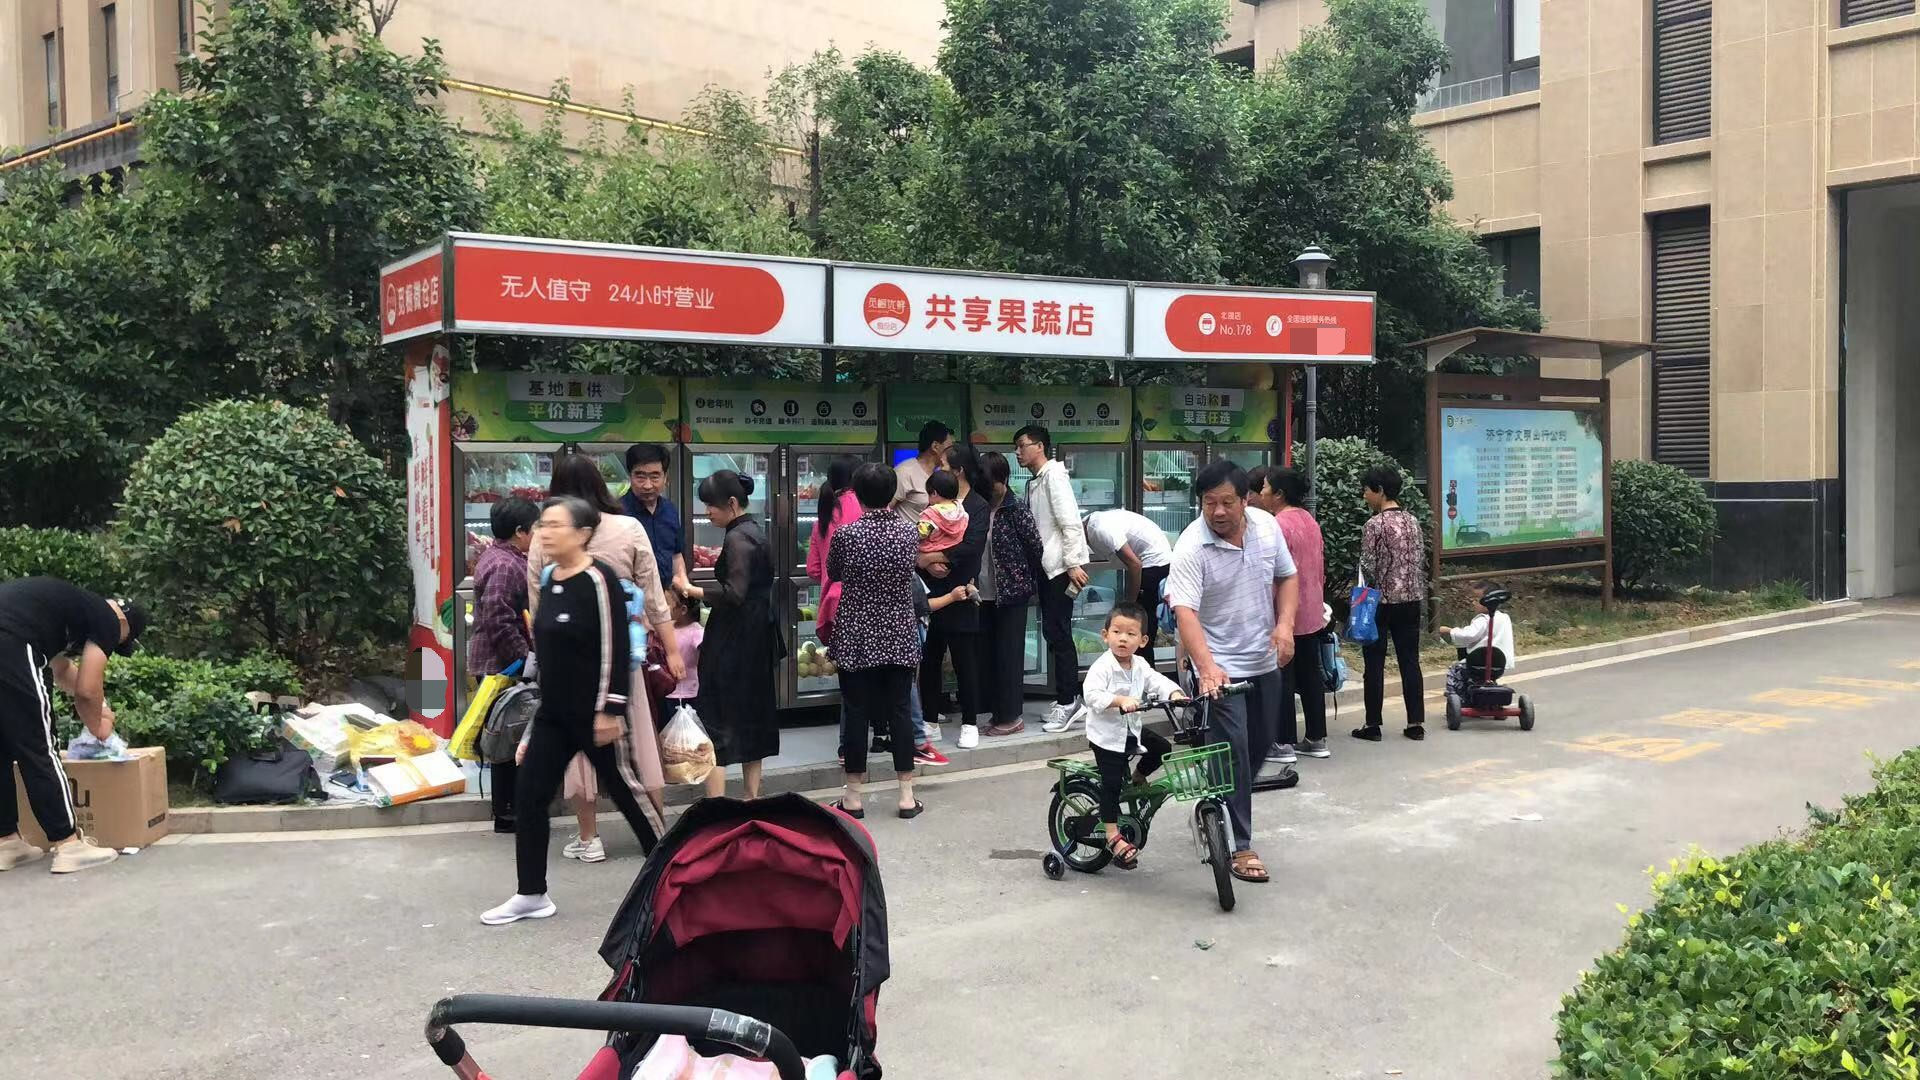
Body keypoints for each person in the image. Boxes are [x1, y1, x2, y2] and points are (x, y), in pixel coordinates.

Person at [483, 497, 661, 926]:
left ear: (582, 534)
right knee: (529, 796)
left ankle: (675, 878)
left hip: (595, 712)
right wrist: (533, 726)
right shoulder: (549, 578)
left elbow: (615, 645)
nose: (544, 533)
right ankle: (531, 894)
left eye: (555, 525)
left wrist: (611, 708)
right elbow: (547, 653)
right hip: (554, 714)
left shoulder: (598, 580)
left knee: (632, 799)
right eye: (542, 525)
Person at [531, 452, 683, 830]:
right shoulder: (629, 527)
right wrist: (673, 650)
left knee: (578, 755)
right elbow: (655, 597)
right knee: (639, 746)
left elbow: (538, 606)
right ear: (601, 485)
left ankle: (589, 838)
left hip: (568, 665)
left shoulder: (546, 536)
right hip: (624, 658)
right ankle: (659, 834)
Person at [1167, 460, 1300, 886]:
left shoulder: (1267, 527)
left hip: (1263, 660)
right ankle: (1240, 844)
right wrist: (1207, 668)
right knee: (1235, 754)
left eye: (1227, 502)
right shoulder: (1192, 546)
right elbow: (1184, 612)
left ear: (1246, 500)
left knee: (1261, 745)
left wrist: (1285, 626)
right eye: (1209, 503)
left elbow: (1288, 577)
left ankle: (1218, 796)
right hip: (1219, 668)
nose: (1218, 511)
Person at [0, 578, 147, 875]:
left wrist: (102, 710)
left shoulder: (62, 610)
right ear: (124, 624)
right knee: (40, 748)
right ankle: (69, 845)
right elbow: (87, 691)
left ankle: (6, 842)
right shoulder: (108, 619)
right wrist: (99, 728)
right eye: (119, 643)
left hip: (10, 638)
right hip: (11, 644)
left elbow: (62, 669)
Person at [830, 462, 930, 819]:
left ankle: (853, 797)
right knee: (900, 711)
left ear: (857, 494)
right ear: (891, 494)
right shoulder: (908, 534)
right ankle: (906, 796)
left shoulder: (846, 535)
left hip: (856, 633)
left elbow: (834, 572)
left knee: (856, 711)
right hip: (899, 632)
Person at [673, 470, 779, 799]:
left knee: (717, 718)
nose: (707, 512)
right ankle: (751, 798)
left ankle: (716, 803)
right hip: (759, 635)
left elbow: (734, 594)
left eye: (711, 506)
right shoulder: (755, 531)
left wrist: (691, 589)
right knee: (754, 716)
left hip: (734, 638)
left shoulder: (737, 538)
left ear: (732, 503)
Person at [1081, 602, 1186, 869]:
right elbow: (1092, 695)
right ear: (1105, 635)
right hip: (1107, 736)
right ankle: (1112, 834)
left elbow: (1156, 681)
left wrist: (1174, 693)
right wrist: (1119, 700)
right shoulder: (1102, 667)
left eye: (1130, 634)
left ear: (1143, 641)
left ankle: (1138, 777)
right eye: (1117, 632)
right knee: (1112, 783)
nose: (1123, 639)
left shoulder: (1140, 664)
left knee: (1162, 748)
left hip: (1131, 730)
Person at [468, 497, 539, 833]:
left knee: (507, 734)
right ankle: (509, 812)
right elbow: (499, 616)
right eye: (536, 528)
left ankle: (510, 809)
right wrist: (523, 659)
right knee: (508, 736)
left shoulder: (499, 557)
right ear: (520, 532)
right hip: (503, 666)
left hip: (500, 662)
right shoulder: (506, 566)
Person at [1015, 424, 1091, 729]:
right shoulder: (1037, 480)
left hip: (1060, 568)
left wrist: (1072, 563)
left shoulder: (1054, 477)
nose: (1018, 452)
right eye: (1016, 447)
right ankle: (1066, 698)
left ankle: (1069, 701)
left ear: (1040, 446)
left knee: (1059, 633)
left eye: (1022, 445)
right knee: (1053, 633)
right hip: (1049, 567)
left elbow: (1070, 522)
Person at [919, 449, 991, 751]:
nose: (939, 468)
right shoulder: (934, 504)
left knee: (965, 661)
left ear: (958, 471)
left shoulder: (977, 506)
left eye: (944, 465)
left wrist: (933, 558)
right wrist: (924, 563)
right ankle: (930, 720)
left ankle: (969, 722)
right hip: (933, 592)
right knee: (930, 659)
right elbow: (920, 540)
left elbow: (972, 548)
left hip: (962, 588)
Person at [1355, 463, 1429, 742]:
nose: (1364, 495)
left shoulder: (1374, 525)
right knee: (1410, 661)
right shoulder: (1413, 522)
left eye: (1367, 490)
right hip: (1411, 599)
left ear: (1380, 490)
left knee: (1374, 663)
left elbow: (1368, 566)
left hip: (1380, 601)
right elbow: (1419, 559)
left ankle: (1373, 724)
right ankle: (1415, 723)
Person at [1265, 467, 1332, 764]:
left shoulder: (1277, 525)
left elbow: (1274, 573)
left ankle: (1282, 742)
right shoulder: (1308, 520)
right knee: (1310, 675)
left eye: (1265, 487)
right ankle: (1316, 739)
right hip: (1312, 610)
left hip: (1286, 613)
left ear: (1279, 494)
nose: (1261, 492)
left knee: (1282, 676)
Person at [977, 451, 1044, 736]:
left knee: (1009, 655)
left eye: (991, 484)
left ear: (1003, 479)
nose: (988, 490)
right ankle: (997, 713)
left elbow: (1035, 547)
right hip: (982, 593)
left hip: (1012, 594)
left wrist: (1021, 576)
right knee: (989, 656)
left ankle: (1011, 717)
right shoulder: (978, 508)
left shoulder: (1016, 510)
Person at [1080, 507, 1173, 665]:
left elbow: (1135, 565)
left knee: (1139, 626)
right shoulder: (1090, 523)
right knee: (1140, 625)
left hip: (1155, 564)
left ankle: (1143, 674)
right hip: (1153, 561)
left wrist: (1130, 603)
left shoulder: (1100, 530)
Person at [620, 443, 685, 592]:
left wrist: (682, 582)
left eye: (655, 477)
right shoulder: (618, 514)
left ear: (665, 477)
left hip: (666, 595)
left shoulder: (670, 511)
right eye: (640, 477)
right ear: (630, 476)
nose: (648, 485)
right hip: (633, 598)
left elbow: (676, 555)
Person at [1439, 581, 1516, 697]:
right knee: (1487, 676)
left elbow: (1468, 635)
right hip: (1499, 664)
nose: (1473, 602)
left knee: (1455, 669)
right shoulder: (1504, 618)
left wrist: (1450, 631)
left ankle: (1454, 694)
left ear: (1488, 602)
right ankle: (1489, 693)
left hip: (1479, 662)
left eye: (1476, 600)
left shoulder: (1483, 619)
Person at [894, 420, 955, 525]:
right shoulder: (905, 472)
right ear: (935, 446)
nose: (951, 452)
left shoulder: (943, 473)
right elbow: (885, 509)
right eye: (949, 447)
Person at [665, 591, 704, 715]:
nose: (663, 608)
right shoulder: (667, 629)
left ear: (683, 610)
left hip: (687, 693)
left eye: (667, 603)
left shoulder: (696, 632)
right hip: (666, 690)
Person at [916, 469, 970, 554]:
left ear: (934, 493)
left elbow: (921, 533)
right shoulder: (960, 511)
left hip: (929, 551)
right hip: (951, 553)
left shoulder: (931, 514)